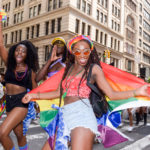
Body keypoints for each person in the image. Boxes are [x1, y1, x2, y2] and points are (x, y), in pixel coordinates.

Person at [22, 35, 150, 150]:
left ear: (90, 52)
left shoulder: (94, 69)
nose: (82, 55)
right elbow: (59, 92)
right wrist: (33, 95)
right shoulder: (69, 69)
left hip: (83, 117)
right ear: (73, 52)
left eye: (86, 51)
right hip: (64, 116)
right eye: (78, 51)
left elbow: (111, 94)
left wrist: (137, 91)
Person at [0, 21, 39, 150]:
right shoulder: (9, 63)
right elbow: (0, 44)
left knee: (2, 133)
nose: (19, 53)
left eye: (23, 51)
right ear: (13, 51)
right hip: (9, 102)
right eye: (17, 50)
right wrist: (0, 22)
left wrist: (38, 104)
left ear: (28, 54)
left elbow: (35, 90)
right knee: (19, 135)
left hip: (21, 103)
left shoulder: (30, 71)